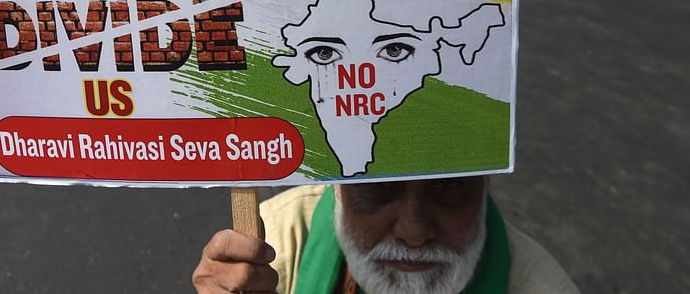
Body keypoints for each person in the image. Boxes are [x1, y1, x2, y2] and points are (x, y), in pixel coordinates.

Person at [193, 177, 581, 293]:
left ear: (486, 186)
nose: (413, 232)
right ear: (337, 189)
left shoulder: (542, 288)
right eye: (378, 187)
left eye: (447, 188)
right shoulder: (272, 244)